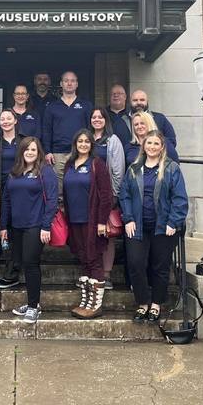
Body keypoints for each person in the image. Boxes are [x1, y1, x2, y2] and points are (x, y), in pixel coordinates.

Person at [119, 130, 188, 323]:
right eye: (149, 143)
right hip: (137, 226)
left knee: (160, 266)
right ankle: (142, 303)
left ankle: (156, 304)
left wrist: (174, 221)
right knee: (135, 264)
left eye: (156, 144)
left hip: (163, 227)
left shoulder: (171, 168)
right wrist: (128, 218)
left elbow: (180, 198)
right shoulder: (134, 168)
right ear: (144, 145)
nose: (152, 147)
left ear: (162, 147)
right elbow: (125, 195)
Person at [0, 137, 58, 324]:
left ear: (38, 151)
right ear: (21, 151)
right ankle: (34, 302)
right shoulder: (14, 172)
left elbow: (52, 200)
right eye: (27, 149)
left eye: (34, 149)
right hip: (16, 226)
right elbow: (6, 200)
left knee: (31, 264)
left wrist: (46, 225)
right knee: (22, 263)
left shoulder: (45, 171)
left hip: (36, 226)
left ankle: (33, 307)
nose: (30, 152)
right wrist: (3, 226)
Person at [63, 129, 114, 318]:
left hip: (92, 221)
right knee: (83, 258)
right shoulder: (69, 164)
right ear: (75, 144)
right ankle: (86, 301)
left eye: (87, 141)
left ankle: (96, 304)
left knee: (94, 259)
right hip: (74, 220)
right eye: (80, 141)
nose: (83, 144)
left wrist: (102, 221)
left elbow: (106, 194)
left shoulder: (97, 164)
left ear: (91, 144)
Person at [0, 109, 26, 284]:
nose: (6, 121)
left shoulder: (25, 141)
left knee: (14, 226)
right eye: (2, 119)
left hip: (19, 189)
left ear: (15, 121)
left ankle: (14, 267)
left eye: (9, 118)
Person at [89, 107, 125, 290]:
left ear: (105, 120)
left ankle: (107, 274)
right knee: (90, 234)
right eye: (94, 117)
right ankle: (92, 272)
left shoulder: (113, 140)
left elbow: (118, 170)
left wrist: (115, 194)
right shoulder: (86, 139)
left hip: (106, 195)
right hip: (88, 196)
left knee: (107, 235)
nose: (97, 119)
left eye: (100, 117)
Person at [43, 70, 93, 194]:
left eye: (72, 81)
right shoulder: (52, 107)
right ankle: (61, 212)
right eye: (66, 81)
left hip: (80, 152)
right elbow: (47, 130)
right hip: (57, 154)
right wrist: (47, 151)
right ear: (61, 84)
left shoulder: (86, 105)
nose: (69, 83)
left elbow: (90, 129)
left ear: (77, 84)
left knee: (78, 186)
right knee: (59, 189)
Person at [130, 89, 179, 162]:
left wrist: (158, 149)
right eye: (135, 100)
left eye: (142, 100)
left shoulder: (160, 118)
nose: (139, 102)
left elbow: (171, 141)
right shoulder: (122, 120)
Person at [107, 84, 133, 149]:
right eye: (113, 94)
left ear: (125, 97)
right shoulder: (103, 114)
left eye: (119, 93)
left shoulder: (132, 114)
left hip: (129, 151)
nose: (116, 95)